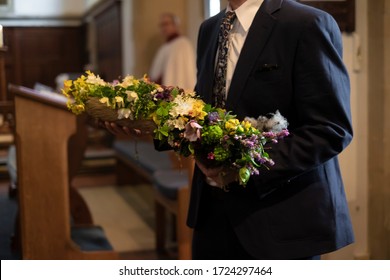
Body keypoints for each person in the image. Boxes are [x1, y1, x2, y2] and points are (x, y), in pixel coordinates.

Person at [106, 0, 354, 260]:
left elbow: (330, 128)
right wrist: (142, 126)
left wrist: (244, 167)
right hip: (212, 216)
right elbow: (202, 116)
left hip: (278, 218)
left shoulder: (305, 24)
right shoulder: (210, 29)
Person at [149, 13, 196, 91]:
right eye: (162, 25)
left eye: (166, 24)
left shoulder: (183, 44)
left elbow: (188, 71)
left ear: (175, 25)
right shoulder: (164, 47)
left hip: (180, 89)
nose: (164, 28)